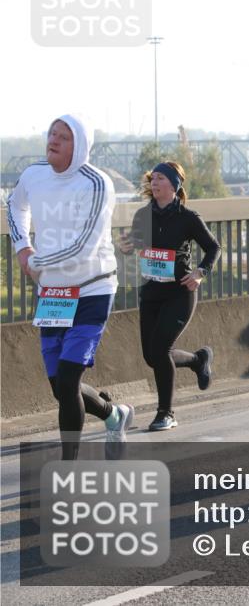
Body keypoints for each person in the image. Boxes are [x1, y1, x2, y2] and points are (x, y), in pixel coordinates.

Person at [5, 115, 133, 459]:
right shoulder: (34, 175)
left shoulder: (96, 183)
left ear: (81, 147)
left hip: (92, 287)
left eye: (64, 136)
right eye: (52, 133)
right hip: (53, 293)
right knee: (60, 386)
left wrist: (37, 263)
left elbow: (84, 246)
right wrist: (23, 247)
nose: (54, 140)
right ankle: (114, 415)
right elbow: (15, 205)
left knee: (69, 376)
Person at [118, 161, 220, 431]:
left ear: (174, 185)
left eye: (161, 178)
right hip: (151, 291)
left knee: (161, 349)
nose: (155, 182)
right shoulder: (143, 215)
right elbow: (136, 244)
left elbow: (213, 248)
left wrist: (200, 272)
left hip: (179, 292)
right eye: (153, 178)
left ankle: (166, 413)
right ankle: (199, 360)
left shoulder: (188, 218)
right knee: (152, 357)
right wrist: (127, 246)